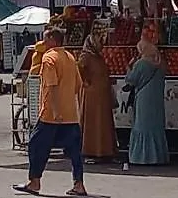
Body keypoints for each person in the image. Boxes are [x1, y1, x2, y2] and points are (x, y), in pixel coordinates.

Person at [14, 28, 87, 197]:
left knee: (36, 145)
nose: (43, 43)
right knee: (74, 151)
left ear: (53, 41)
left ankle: (34, 182)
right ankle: (79, 184)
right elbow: (78, 85)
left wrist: (54, 110)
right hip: (70, 113)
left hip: (50, 115)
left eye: (45, 40)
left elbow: (51, 86)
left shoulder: (49, 58)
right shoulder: (70, 57)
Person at [123, 40, 168, 165]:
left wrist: (128, 68)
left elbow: (131, 80)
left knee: (142, 125)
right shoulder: (160, 63)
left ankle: (142, 157)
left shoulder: (141, 64)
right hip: (157, 99)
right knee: (156, 125)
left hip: (144, 99)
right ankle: (158, 156)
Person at [76, 33, 115, 162]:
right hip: (92, 96)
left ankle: (105, 150)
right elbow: (79, 68)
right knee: (94, 122)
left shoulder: (97, 56)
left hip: (101, 95)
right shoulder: (86, 56)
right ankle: (91, 150)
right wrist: (86, 81)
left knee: (103, 122)